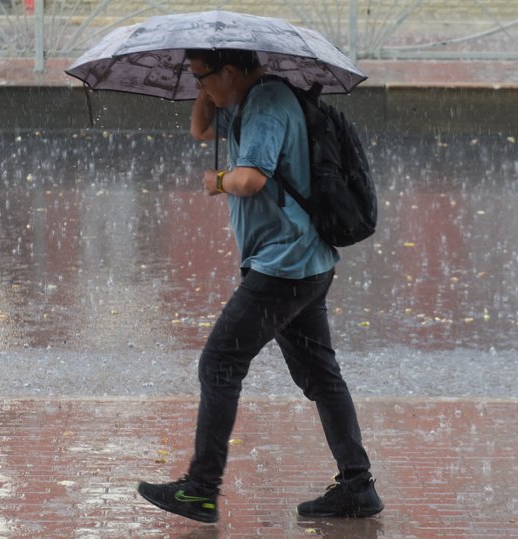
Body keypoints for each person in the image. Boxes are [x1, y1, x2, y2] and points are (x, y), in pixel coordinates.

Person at [137, 48, 383, 524]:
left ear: (231, 71)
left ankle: (201, 490)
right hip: (302, 261)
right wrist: (204, 88)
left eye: (204, 77)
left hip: (284, 265)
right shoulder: (247, 100)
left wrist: (218, 180)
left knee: (219, 363)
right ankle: (358, 485)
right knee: (320, 375)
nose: (200, 87)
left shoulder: (267, 106)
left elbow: (250, 179)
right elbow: (202, 130)